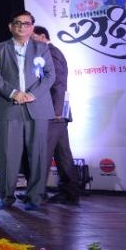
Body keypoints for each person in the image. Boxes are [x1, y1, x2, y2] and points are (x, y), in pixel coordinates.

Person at [0, 11, 55, 211]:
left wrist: (32, 94)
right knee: (7, 154)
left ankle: (35, 197)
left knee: (38, 154)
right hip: (10, 107)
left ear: (32, 27)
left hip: (38, 107)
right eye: (17, 23)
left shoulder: (42, 48)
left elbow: (50, 75)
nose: (22, 26)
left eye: (26, 23)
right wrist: (13, 93)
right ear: (11, 26)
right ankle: (6, 196)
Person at [32, 25, 80, 205]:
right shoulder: (43, 54)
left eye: (33, 38)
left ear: (43, 36)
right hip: (55, 112)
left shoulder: (52, 53)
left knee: (43, 151)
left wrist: (58, 111)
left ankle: (37, 194)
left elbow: (59, 83)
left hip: (54, 112)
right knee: (62, 153)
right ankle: (70, 192)